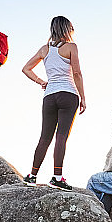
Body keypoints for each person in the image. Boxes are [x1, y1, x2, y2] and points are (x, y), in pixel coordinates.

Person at [21, 16, 86, 190]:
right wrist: (83, 97)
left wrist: (41, 82)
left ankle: (32, 175)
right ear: (67, 29)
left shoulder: (44, 49)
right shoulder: (71, 47)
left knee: (44, 137)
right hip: (68, 94)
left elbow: (26, 68)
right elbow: (77, 74)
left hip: (49, 96)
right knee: (61, 136)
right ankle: (57, 177)